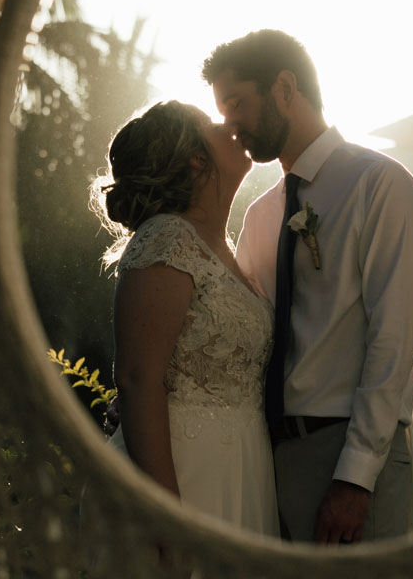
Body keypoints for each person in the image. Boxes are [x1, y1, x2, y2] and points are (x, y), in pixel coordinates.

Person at [202, 30, 413, 544]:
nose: (230, 123)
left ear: (285, 88)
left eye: (236, 102)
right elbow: (246, 335)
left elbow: (392, 340)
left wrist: (355, 477)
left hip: (349, 453)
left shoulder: (380, 184)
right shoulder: (262, 215)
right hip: (269, 460)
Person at [92, 100, 279, 536]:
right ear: (198, 158)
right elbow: (138, 378)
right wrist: (165, 514)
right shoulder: (166, 237)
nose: (230, 125)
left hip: (243, 467)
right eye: (213, 123)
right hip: (184, 471)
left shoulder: (221, 246)